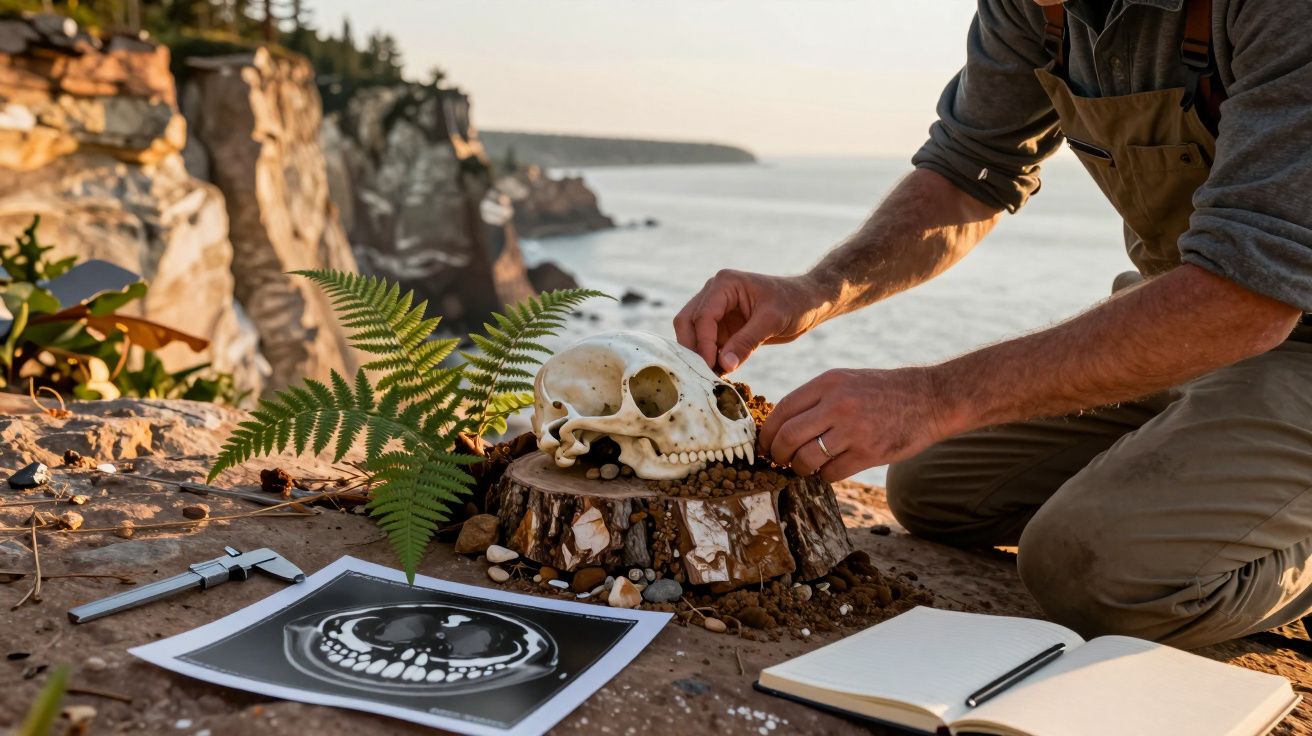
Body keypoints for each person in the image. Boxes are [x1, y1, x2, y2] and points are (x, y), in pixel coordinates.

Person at [673, 0, 1312, 649]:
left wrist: (931, 397)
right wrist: (815, 290)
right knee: (933, 489)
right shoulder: (1034, 8)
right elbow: (968, 171)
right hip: (1190, 322)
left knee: (1092, 571)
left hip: (1274, 331)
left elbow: (1246, 296)